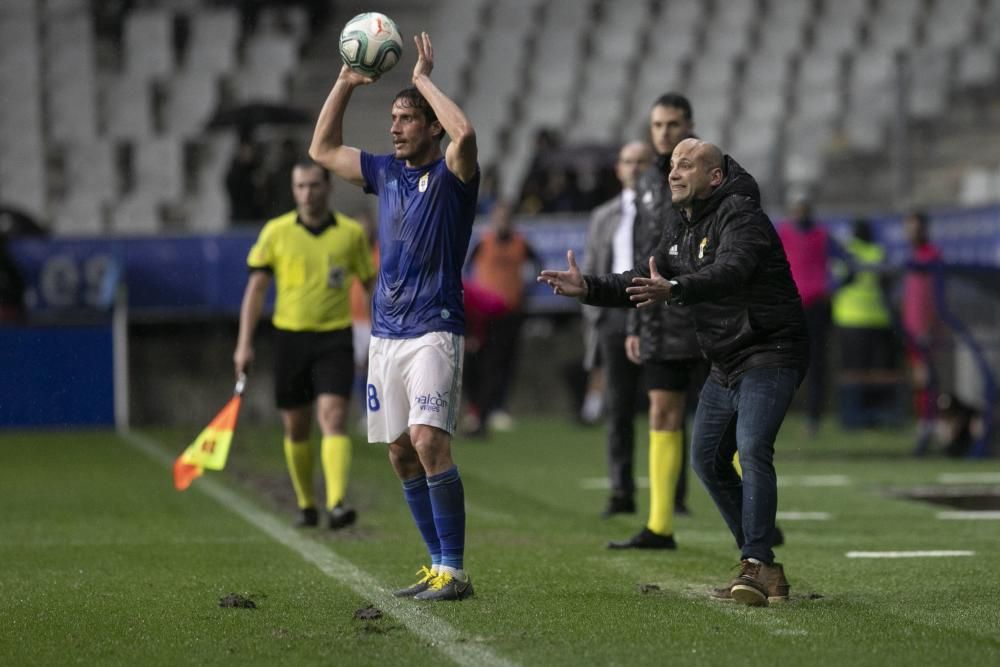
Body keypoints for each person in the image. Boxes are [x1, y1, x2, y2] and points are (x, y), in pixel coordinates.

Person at [540, 138, 808, 606]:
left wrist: (678, 288)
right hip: (726, 359)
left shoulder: (742, 215)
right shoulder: (678, 223)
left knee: (752, 446)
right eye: (672, 167)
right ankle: (766, 567)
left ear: (715, 177)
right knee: (706, 459)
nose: (674, 173)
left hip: (770, 347)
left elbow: (732, 270)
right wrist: (589, 289)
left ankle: (755, 561)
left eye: (687, 165)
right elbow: (640, 279)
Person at [309, 32, 479, 601]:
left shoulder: (455, 176)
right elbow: (323, 150)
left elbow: (467, 133)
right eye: (394, 117)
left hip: (434, 327)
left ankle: (454, 570)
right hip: (386, 333)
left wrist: (425, 78)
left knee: (430, 439)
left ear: (430, 125)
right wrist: (344, 82)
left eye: (406, 118)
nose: (394, 127)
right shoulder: (385, 174)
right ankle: (436, 565)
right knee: (400, 451)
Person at [234, 159, 375, 531]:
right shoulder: (276, 233)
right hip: (290, 339)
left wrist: (383, 333)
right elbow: (256, 290)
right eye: (300, 187)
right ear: (293, 190)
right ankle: (306, 503)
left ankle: (337, 503)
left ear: (327, 188)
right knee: (296, 427)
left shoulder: (350, 234)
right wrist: (243, 344)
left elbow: (371, 285)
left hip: (335, 337)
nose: (307, 194)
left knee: (332, 417)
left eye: (313, 185)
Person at [608, 94, 707, 552]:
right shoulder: (647, 184)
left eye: (673, 124)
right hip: (663, 320)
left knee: (729, 422)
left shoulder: (715, 176)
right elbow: (642, 258)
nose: (664, 133)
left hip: (710, 315)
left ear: (690, 125)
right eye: (657, 125)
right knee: (661, 413)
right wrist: (635, 323)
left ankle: (753, 525)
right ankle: (659, 526)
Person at [582, 141, 652, 517]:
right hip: (615, 311)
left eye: (642, 161)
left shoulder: (665, 214)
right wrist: (593, 321)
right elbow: (593, 267)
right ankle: (621, 490)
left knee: (666, 404)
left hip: (656, 311)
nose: (635, 167)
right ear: (618, 169)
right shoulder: (604, 216)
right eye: (628, 161)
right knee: (618, 408)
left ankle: (673, 496)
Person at [466, 200, 540, 434]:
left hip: (510, 313)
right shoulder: (483, 243)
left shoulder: (521, 243)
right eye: (498, 216)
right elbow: (466, 270)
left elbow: (539, 266)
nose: (502, 221)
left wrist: (527, 290)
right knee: (478, 364)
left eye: (505, 216)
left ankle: (497, 408)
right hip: (483, 315)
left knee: (505, 363)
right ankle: (478, 409)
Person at [776, 195, 835, 435]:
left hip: (815, 306)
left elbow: (846, 262)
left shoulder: (822, 235)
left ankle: (813, 415)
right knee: (781, 361)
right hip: (790, 305)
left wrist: (832, 288)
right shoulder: (783, 233)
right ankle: (775, 414)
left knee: (815, 363)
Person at [831, 218, 897, 428]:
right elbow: (888, 284)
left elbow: (839, 280)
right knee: (875, 372)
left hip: (851, 318)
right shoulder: (878, 251)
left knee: (854, 372)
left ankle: (854, 417)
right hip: (876, 319)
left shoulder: (846, 250)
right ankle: (873, 416)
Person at [901, 210, 943, 456]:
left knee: (927, 380)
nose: (910, 232)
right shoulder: (914, 255)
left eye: (914, 227)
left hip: (925, 330)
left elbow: (934, 298)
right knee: (919, 381)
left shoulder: (932, 256)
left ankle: (929, 428)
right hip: (912, 329)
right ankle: (925, 426)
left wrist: (930, 326)